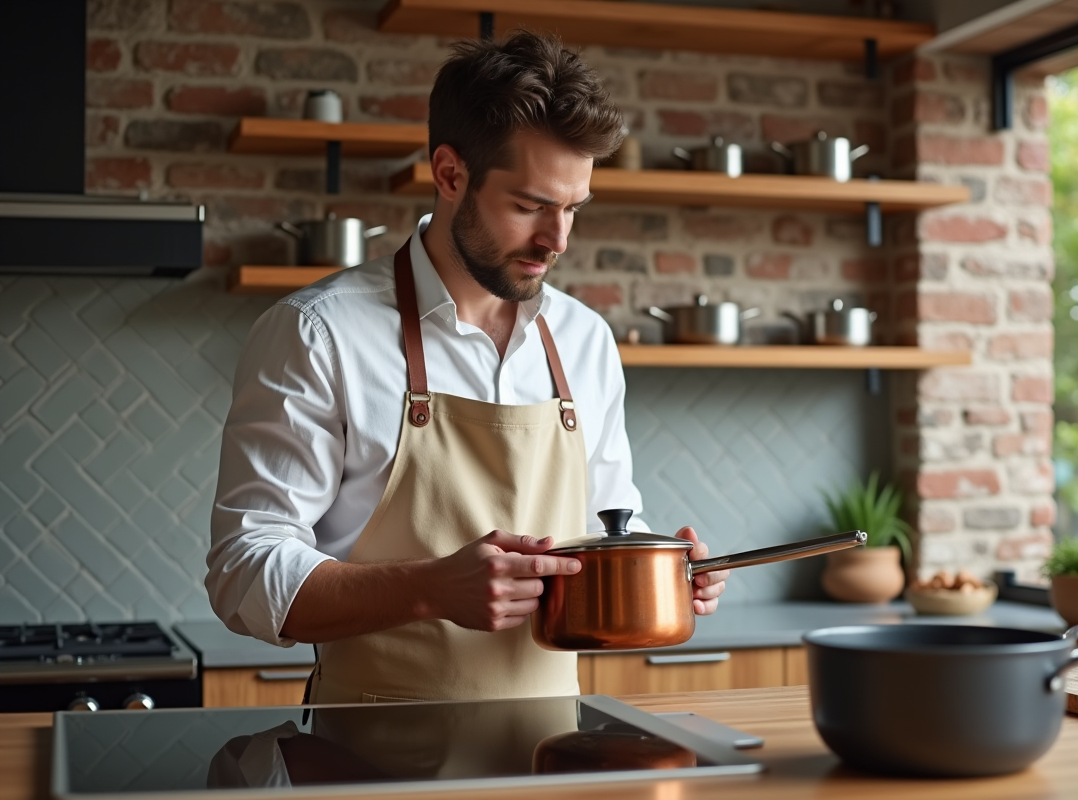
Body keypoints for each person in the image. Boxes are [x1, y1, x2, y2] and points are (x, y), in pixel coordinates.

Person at [207, 30, 729, 705]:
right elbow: (244, 573)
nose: (557, 240)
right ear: (450, 174)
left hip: (547, 753)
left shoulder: (585, 341)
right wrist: (427, 589)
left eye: (572, 209)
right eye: (530, 206)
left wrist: (662, 572)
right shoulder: (318, 333)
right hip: (367, 756)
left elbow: (608, 528)